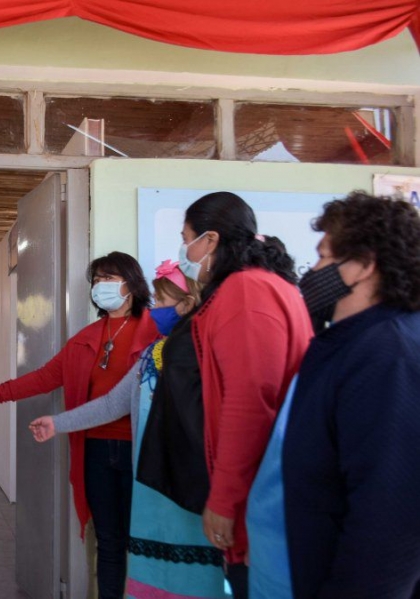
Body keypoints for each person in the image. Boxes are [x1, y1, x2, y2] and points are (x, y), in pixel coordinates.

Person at [247, 192, 420, 599]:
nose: (313, 271)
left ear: (364, 265)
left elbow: (389, 512)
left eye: (324, 257)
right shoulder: (349, 341)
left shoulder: (387, 355)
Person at [0, 252, 159, 599]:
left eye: (109, 278)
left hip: (143, 453)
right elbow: (42, 378)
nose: (100, 285)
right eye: (97, 279)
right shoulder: (86, 338)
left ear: (132, 284)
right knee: (109, 540)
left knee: (147, 539)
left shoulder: (157, 331)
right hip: (96, 451)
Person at [30, 261, 227, 599]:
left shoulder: (209, 354)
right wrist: (57, 423)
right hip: (148, 473)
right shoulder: (152, 356)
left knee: (189, 560)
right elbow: (111, 404)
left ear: (187, 305)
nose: (156, 309)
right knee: (128, 548)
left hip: (187, 479)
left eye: (162, 302)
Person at [179, 191, 312, 598]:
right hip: (266, 484)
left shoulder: (245, 291)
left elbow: (250, 404)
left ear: (211, 240)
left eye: (186, 239)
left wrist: (225, 500)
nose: (185, 252)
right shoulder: (263, 284)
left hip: (261, 491)